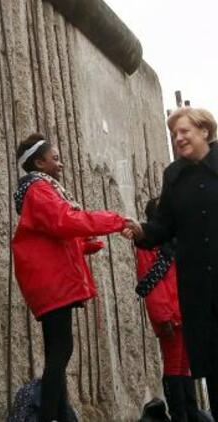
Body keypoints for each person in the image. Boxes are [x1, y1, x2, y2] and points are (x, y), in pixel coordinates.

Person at [12, 133, 133, 422]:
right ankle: (51, 417)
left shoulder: (40, 189)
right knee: (60, 352)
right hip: (51, 283)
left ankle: (60, 415)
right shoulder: (39, 190)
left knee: (59, 352)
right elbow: (63, 221)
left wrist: (85, 244)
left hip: (50, 280)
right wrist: (114, 221)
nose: (61, 164)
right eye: (55, 158)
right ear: (39, 162)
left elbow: (51, 235)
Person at [128, 107, 218, 420]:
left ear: (204, 131)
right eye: (174, 134)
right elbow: (164, 226)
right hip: (199, 294)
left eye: (184, 131)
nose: (178, 138)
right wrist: (142, 231)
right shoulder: (173, 177)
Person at [136, 198, 201, 421]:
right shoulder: (148, 245)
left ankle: (190, 412)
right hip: (170, 317)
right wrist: (163, 318)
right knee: (174, 365)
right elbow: (151, 286)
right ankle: (179, 414)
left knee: (185, 365)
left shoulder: (173, 243)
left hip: (183, 313)